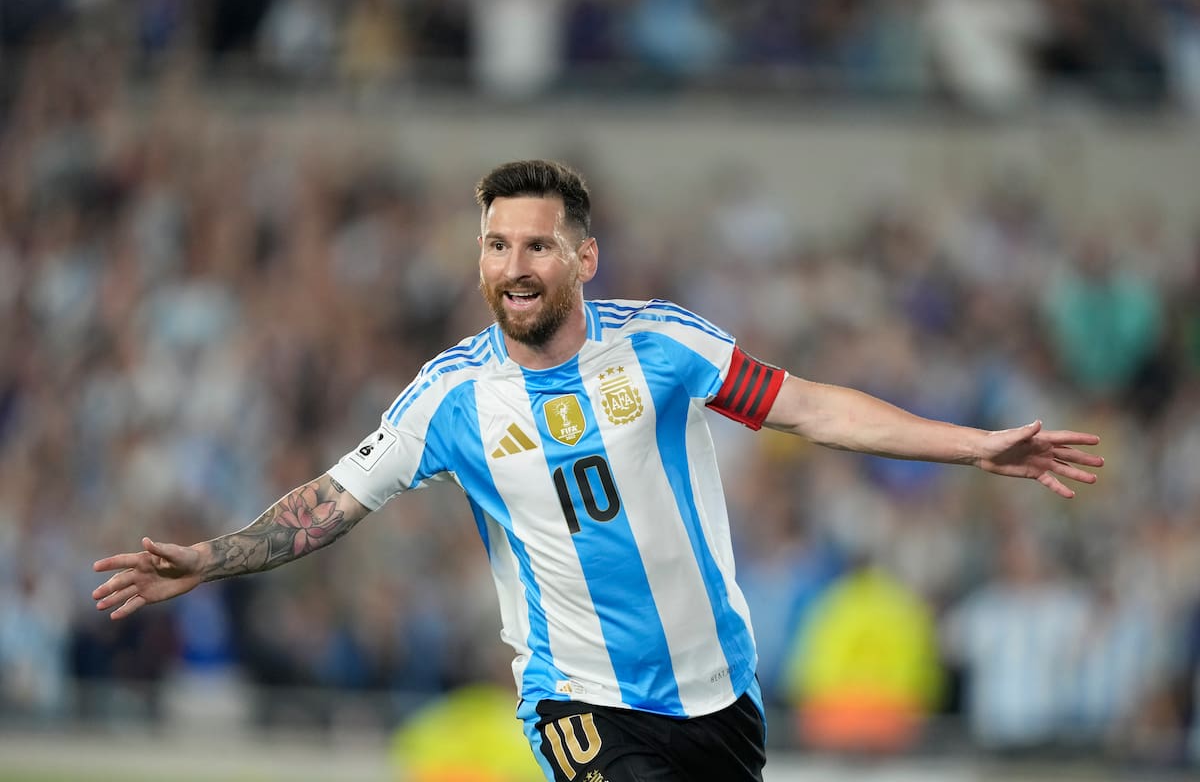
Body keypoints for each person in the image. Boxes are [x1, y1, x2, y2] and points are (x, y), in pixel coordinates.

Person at [93, 159, 1104, 782]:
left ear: (584, 258)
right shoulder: (451, 397)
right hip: (581, 701)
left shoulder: (663, 347)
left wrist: (974, 444)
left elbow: (812, 407)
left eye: (536, 245)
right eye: (496, 245)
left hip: (720, 697)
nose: (513, 266)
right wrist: (210, 559)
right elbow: (330, 501)